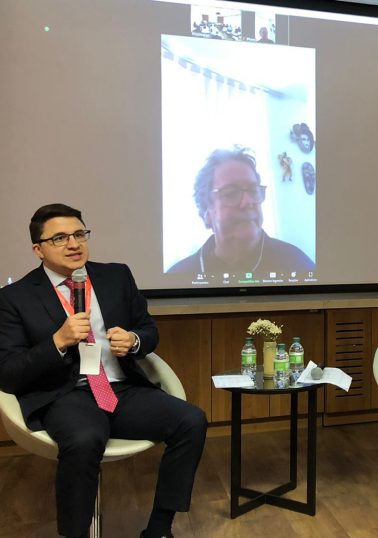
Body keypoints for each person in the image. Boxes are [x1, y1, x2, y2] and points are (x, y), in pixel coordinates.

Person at [0, 204, 208, 538]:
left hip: (120, 389)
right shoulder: (14, 297)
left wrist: (134, 340)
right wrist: (57, 342)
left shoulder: (116, 276)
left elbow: (148, 329)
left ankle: (159, 528)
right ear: (38, 249)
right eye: (59, 238)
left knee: (191, 420)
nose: (73, 244)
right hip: (65, 394)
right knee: (85, 439)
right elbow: (8, 371)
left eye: (79, 234)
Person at [167, 146, 315, 275]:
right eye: (231, 193)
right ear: (207, 213)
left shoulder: (298, 263)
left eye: (253, 190)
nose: (248, 202)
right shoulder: (178, 276)